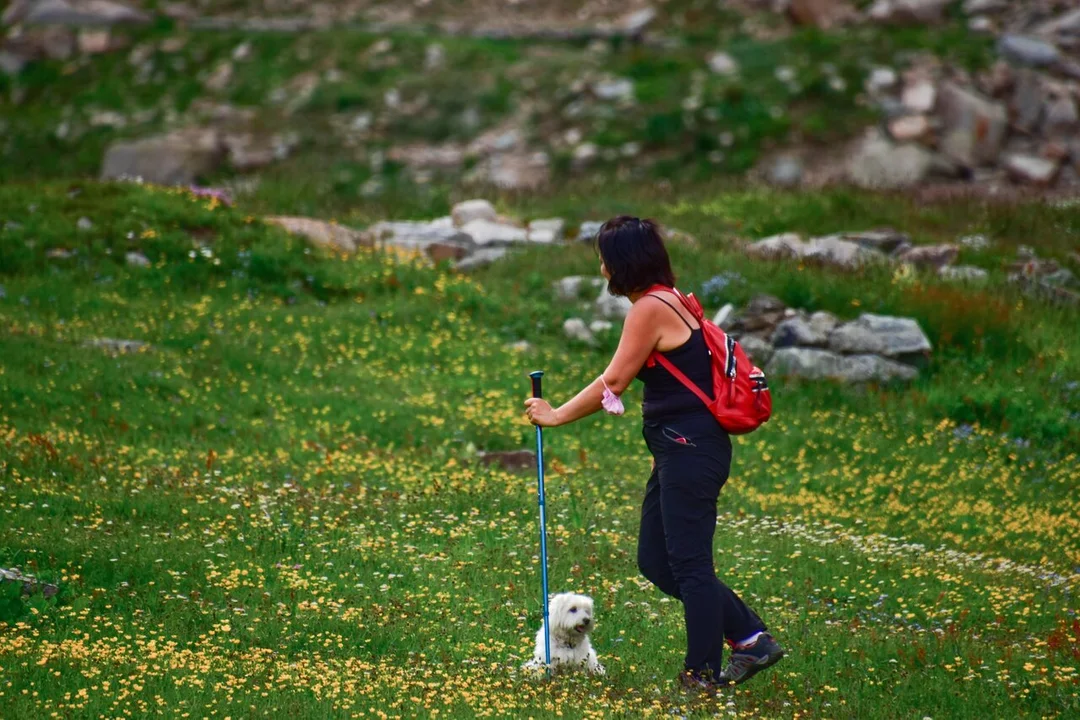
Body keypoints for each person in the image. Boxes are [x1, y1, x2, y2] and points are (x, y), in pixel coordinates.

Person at [523, 216, 784, 691]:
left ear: (621, 262)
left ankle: (700, 675)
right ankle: (750, 638)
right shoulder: (672, 301)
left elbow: (615, 380)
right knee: (656, 562)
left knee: (689, 566)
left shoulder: (649, 309)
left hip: (690, 448)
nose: (601, 267)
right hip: (677, 449)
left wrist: (556, 413)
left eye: (603, 257)